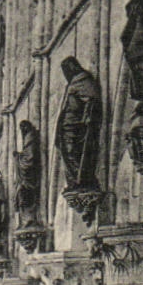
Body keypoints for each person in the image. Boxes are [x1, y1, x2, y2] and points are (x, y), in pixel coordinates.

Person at [55, 56, 103, 193]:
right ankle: (75, 180)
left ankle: (81, 180)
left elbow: (91, 101)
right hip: (67, 127)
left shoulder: (83, 80)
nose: (66, 74)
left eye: (67, 70)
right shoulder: (73, 84)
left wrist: (87, 118)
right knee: (67, 152)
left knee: (73, 151)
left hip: (76, 126)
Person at [13, 120, 42, 229]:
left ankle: (30, 220)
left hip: (29, 176)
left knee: (25, 195)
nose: (22, 131)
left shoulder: (30, 137)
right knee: (22, 197)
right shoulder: (28, 138)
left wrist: (18, 157)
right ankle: (26, 221)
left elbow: (30, 157)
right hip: (25, 178)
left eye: (23, 128)